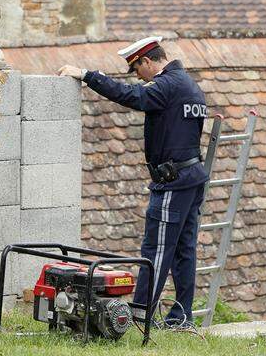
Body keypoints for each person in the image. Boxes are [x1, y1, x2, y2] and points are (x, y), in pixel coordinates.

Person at [58, 36, 209, 326]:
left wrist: (89, 76)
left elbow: (132, 96)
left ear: (147, 61)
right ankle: (181, 318)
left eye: (137, 69)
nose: (138, 76)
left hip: (172, 182)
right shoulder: (189, 85)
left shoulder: (167, 85)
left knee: (156, 250)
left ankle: (140, 318)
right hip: (191, 178)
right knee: (183, 251)